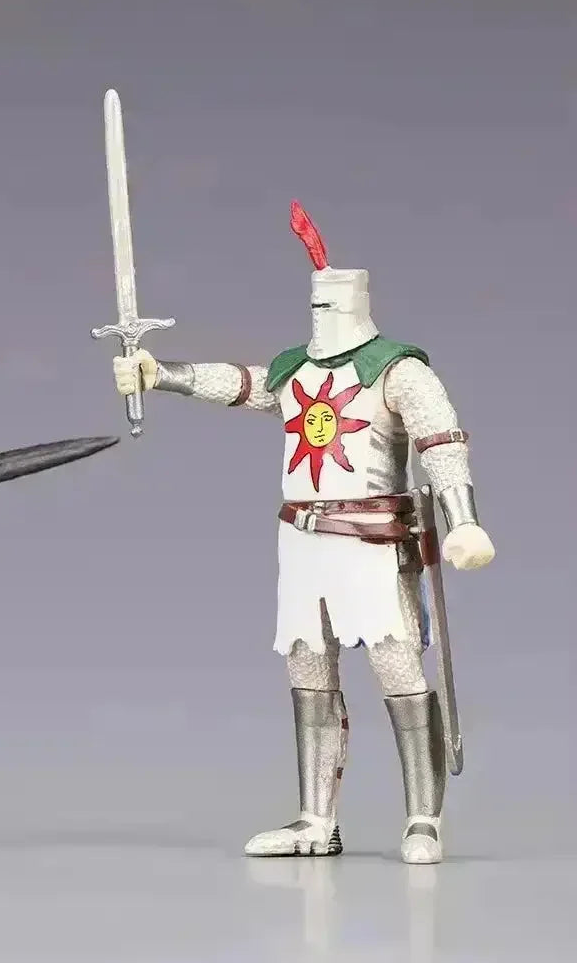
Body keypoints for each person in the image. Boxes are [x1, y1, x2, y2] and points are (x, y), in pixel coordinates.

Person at [111, 202, 494, 864]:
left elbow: (441, 440)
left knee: (398, 668)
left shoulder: (399, 369)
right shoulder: (297, 371)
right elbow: (244, 384)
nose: (321, 312)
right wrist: (162, 373)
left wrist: (463, 522)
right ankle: (316, 821)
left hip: (374, 544)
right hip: (305, 545)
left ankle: (422, 820)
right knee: (308, 673)